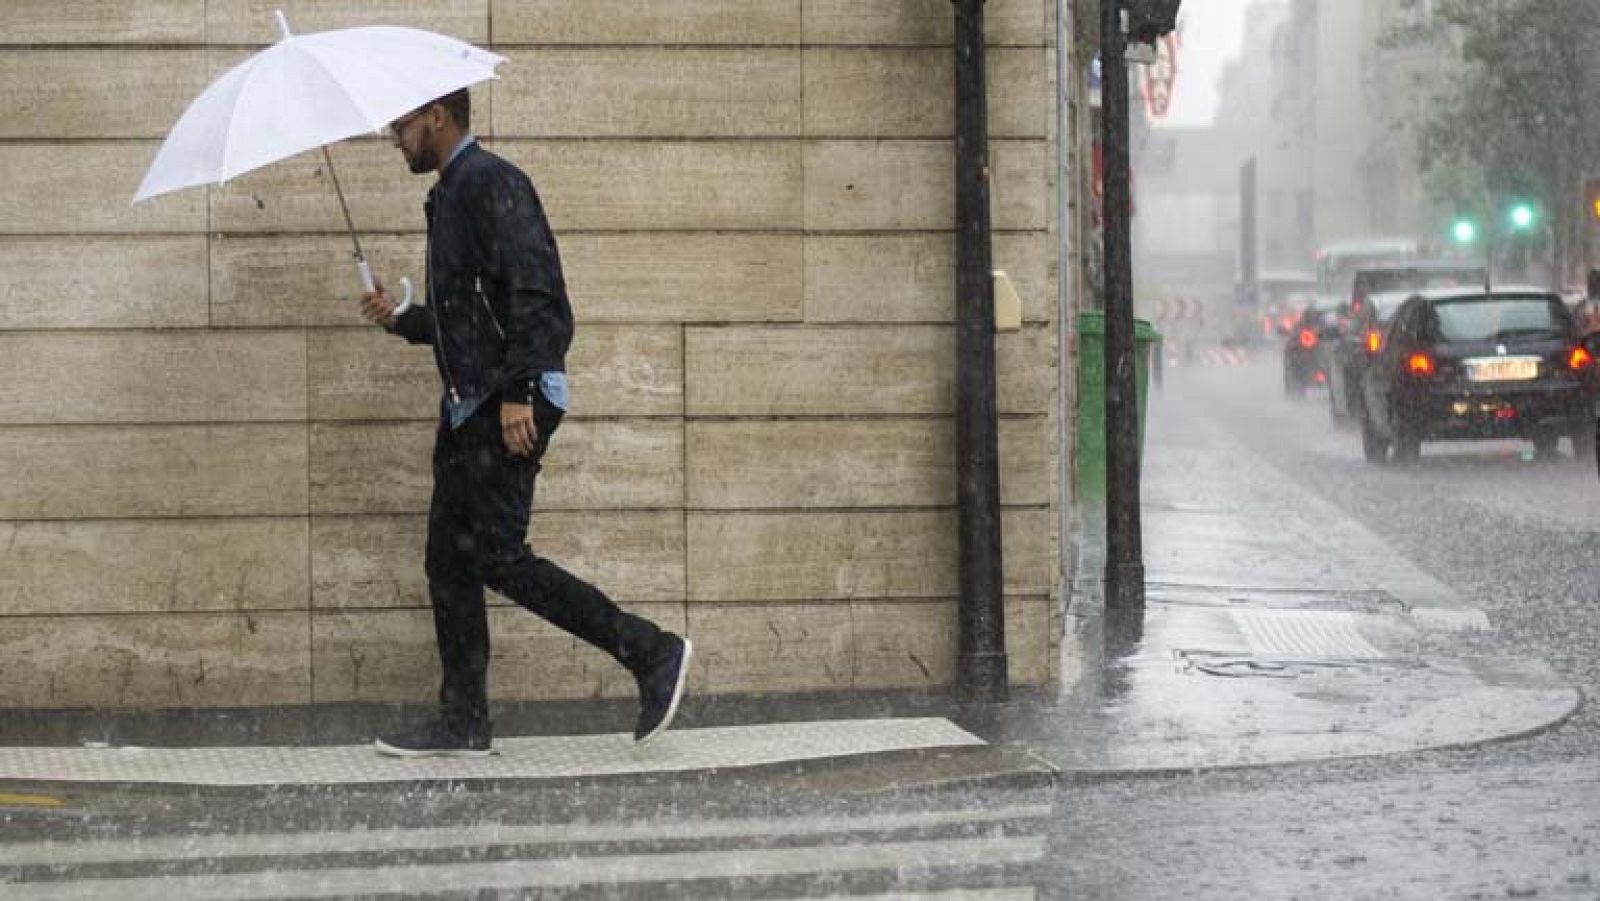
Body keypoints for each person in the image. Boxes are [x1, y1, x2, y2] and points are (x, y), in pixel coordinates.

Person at [358, 88, 691, 757]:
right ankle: (464, 721)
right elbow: (467, 318)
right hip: (471, 404)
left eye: (401, 123)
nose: (395, 136)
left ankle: (653, 652)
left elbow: (536, 290)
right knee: (449, 561)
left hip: (506, 400)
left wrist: (519, 392)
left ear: (437, 116)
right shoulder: (450, 194)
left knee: (498, 557)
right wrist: (403, 319)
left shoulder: (491, 181)